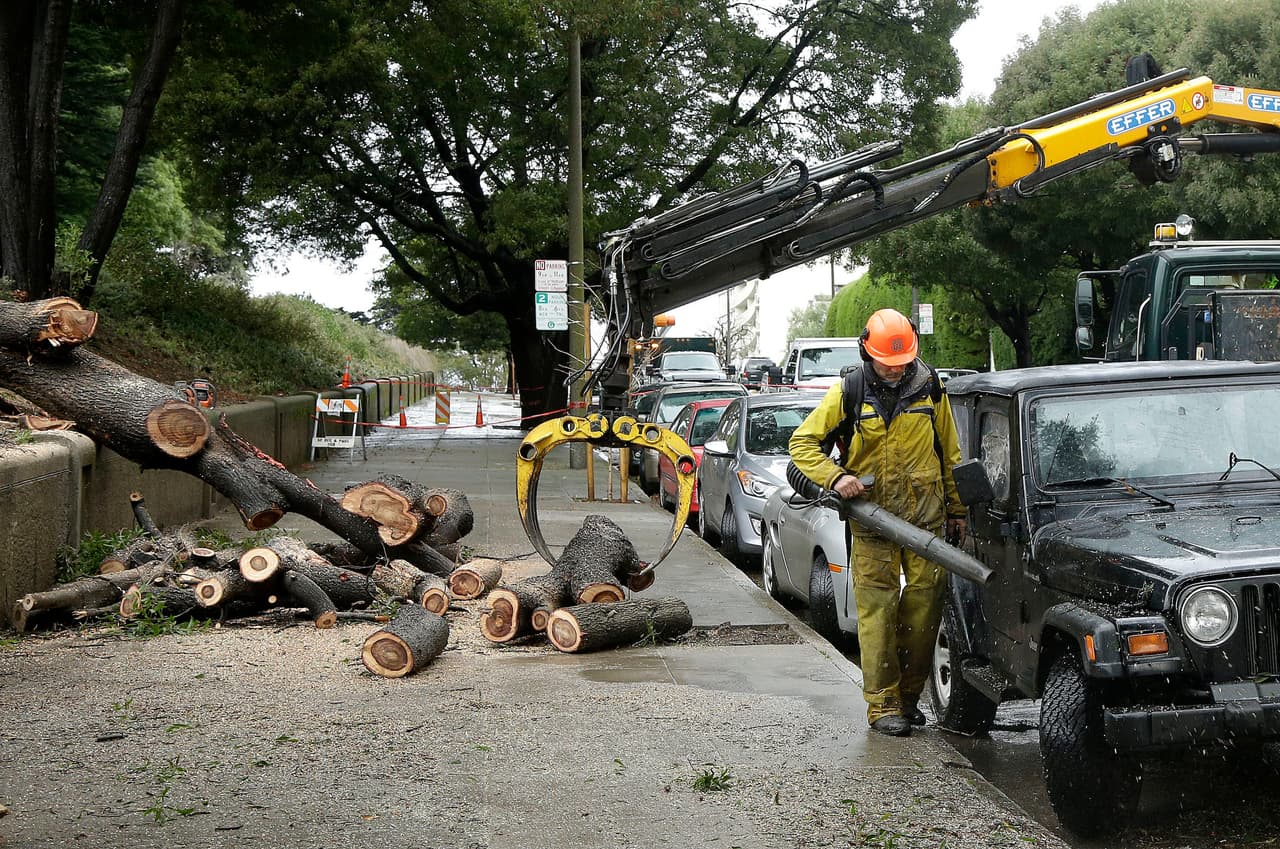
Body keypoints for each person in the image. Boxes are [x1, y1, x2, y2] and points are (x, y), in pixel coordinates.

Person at [788, 308, 966, 737]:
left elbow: (950, 452)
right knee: (877, 613)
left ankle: (908, 698)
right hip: (872, 521)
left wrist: (958, 510)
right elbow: (802, 444)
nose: (895, 368)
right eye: (888, 361)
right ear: (868, 352)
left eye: (902, 361)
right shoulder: (849, 390)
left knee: (924, 611)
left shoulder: (930, 387)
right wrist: (836, 477)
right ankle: (883, 704)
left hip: (925, 518)